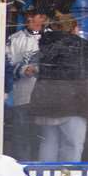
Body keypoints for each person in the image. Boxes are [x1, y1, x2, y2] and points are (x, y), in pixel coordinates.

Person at [31, 12, 88, 163]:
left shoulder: (45, 44)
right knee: (72, 145)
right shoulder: (82, 46)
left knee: (48, 142)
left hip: (46, 100)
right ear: (73, 27)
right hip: (73, 102)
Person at [5, 6, 48, 157]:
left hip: (46, 99)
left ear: (43, 18)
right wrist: (22, 70)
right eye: (27, 15)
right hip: (23, 97)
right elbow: (5, 66)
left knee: (43, 139)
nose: (29, 18)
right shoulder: (15, 39)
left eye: (33, 15)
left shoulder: (52, 38)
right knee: (21, 138)